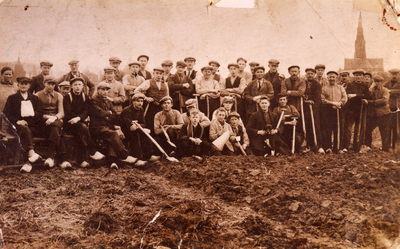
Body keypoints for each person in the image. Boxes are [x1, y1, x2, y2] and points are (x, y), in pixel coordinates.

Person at [89, 82, 138, 169]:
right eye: (102, 90)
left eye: (107, 90)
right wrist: (108, 113)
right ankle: (124, 155)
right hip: (96, 128)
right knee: (113, 134)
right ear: (98, 90)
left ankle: (113, 161)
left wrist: (111, 117)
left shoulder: (107, 100)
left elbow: (115, 114)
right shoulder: (94, 100)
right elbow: (99, 113)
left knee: (113, 136)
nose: (105, 92)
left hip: (106, 127)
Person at [63, 77, 105, 168]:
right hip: (69, 124)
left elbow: (86, 111)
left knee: (81, 133)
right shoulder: (67, 97)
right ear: (71, 86)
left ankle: (81, 160)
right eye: (75, 85)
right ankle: (92, 151)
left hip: (80, 123)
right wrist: (76, 119)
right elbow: (68, 112)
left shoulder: (85, 97)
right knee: (83, 128)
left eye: (79, 85)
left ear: (83, 86)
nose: (77, 87)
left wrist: (78, 118)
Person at [3, 77, 42, 172]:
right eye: (21, 83)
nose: (24, 85)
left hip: (32, 125)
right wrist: (17, 121)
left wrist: (32, 114)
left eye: (26, 84)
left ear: (29, 86)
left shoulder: (35, 98)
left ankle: (28, 163)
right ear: (18, 85)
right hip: (16, 126)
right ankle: (32, 153)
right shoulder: (12, 98)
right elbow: (6, 114)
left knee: (27, 131)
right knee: (24, 129)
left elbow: (40, 113)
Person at [36, 77, 71, 169]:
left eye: (53, 84)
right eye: (49, 83)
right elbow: (37, 113)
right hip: (43, 123)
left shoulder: (59, 96)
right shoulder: (37, 95)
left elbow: (61, 113)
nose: (51, 86)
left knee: (55, 127)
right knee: (57, 131)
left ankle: (50, 157)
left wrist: (54, 117)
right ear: (44, 83)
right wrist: (48, 117)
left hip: (55, 121)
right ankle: (63, 160)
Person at [120, 93, 160, 165]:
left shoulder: (141, 109)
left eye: (141, 101)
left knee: (145, 134)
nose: (140, 103)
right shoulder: (127, 111)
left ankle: (148, 156)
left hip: (136, 129)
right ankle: (136, 158)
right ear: (133, 102)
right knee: (136, 135)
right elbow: (129, 126)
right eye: (138, 101)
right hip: (124, 131)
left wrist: (138, 126)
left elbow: (144, 123)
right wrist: (139, 127)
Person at [341, 69, 370, 153]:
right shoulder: (350, 85)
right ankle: (345, 146)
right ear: (354, 76)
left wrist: (356, 95)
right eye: (357, 75)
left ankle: (356, 146)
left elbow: (368, 96)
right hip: (350, 109)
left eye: (360, 75)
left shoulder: (365, 86)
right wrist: (361, 96)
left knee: (359, 128)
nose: (358, 77)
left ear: (363, 77)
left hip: (360, 110)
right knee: (348, 128)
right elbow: (349, 96)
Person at [134, 67, 169, 133]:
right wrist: (146, 98)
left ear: (162, 75)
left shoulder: (165, 84)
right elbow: (136, 91)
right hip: (151, 107)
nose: (159, 75)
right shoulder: (148, 82)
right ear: (153, 74)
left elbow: (167, 96)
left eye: (160, 74)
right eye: (157, 73)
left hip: (162, 108)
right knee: (150, 124)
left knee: (162, 124)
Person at [321, 71, 347, 153]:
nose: (332, 78)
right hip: (328, 110)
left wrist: (340, 103)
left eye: (333, 77)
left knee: (338, 129)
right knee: (327, 129)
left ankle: (338, 147)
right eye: (330, 77)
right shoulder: (324, 88)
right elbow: (323, 99)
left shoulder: (340, 87)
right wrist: (332, 103)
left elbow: (344, 97)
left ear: (336, 78)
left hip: (339, 110)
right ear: (327, 78)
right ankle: (328, 147)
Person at [363, 75, 391, 152]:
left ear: (382, 82)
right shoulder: (371, 90)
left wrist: (370, 102)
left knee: (384, 131)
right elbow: (367, 96)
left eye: (379, 81)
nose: (377, 83)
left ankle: (385, 148)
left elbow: (384, 100)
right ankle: (368, 146)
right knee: (368, 129)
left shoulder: (385, 90)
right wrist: (371, 88)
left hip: (384, 114)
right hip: (373, 115)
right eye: (375, 81)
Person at [303, 68, 324, 154]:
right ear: (306, 74)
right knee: (307, 126)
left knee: (316, 125)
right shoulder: (303, 83)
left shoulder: (317, 84)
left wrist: (308, 97)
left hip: (315, 107)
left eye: (312, 74)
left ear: (314, 75)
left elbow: (317, 95)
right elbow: (302, 93)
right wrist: (305, 99)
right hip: (305, 107)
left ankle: (319, 145)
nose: (310, 75)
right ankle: (308, 145)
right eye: (308, 73)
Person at [384, 68, 400, 150]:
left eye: (396, 74)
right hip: (389, 107)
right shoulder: (386, 83)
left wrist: (390, 91)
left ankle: (396, 145)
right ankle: (388, 144)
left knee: (397, 126)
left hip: (398, 108)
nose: (394, 76)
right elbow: (383, 90)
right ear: (390, 75)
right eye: (392, 74)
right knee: (388, 126)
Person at [0, 66, 17, 138]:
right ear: (2, 75)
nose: (8, 76)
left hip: (13, 110)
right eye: (6, 74)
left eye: (10, 74)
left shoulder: (16, 86)